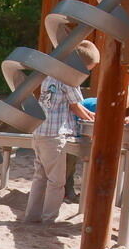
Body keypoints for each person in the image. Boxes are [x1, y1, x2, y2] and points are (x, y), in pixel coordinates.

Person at [24, 40, 101, 223]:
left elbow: (73, 105)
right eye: (89, 68)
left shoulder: (50, 76)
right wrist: (94, 120)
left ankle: (31, 216)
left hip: (40, 131)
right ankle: (49, 219)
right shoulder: (70, 79)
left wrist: (90, 115)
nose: (89, 73)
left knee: (40, 176)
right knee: (57, 182)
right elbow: (76, 106)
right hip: (55, 135)